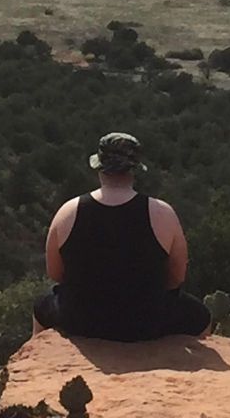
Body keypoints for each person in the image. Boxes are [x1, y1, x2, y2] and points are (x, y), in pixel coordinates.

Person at [33, 132, 211, 341]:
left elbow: (55, 273)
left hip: (80, 322)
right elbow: (176, 278)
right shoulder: (163, 213)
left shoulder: (68, 211)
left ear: (99, 168)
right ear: (134, 170)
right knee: (201, 316)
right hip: (147, 323)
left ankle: (34, 356)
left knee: (41, 306)